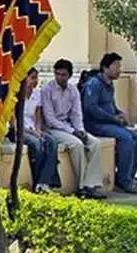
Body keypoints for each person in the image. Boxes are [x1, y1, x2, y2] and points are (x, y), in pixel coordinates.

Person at [41, 59, 106, 199]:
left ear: (69, 75)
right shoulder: (47, 90)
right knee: (77, 145)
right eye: (57, 74)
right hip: (52, 129)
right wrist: (72, 132)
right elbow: (50, 118)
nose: (59, 77)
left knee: (95, 143)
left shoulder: (73, 90)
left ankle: (91, 184)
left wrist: (80, 130)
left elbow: (76, 114)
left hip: (69, 126)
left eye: (63, 74)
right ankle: (82, 187)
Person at [83, 52, 137, 194]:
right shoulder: (94, 84)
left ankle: (129, 176)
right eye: (116, 66)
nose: (119, 69)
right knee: (126, 138)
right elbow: (91, 108)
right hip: (95, 124)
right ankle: (123, 181)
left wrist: (120, 114)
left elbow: (112, 106)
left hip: (109, 123)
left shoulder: (109, 84)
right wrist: (113, 118)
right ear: (105, 68)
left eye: (119, 66)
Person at [21, 67, 60, 193]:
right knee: (37, 143)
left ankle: (44, 182)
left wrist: (37, 129)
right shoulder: (15, 95)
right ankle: (38, 182)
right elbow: (14, 123)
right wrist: (32, 132)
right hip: (20, 130)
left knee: (52, 142)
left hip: (33, 128)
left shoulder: (37, 94)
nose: (35, 81)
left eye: (36, 78)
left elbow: (37, 116)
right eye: (32, 78)